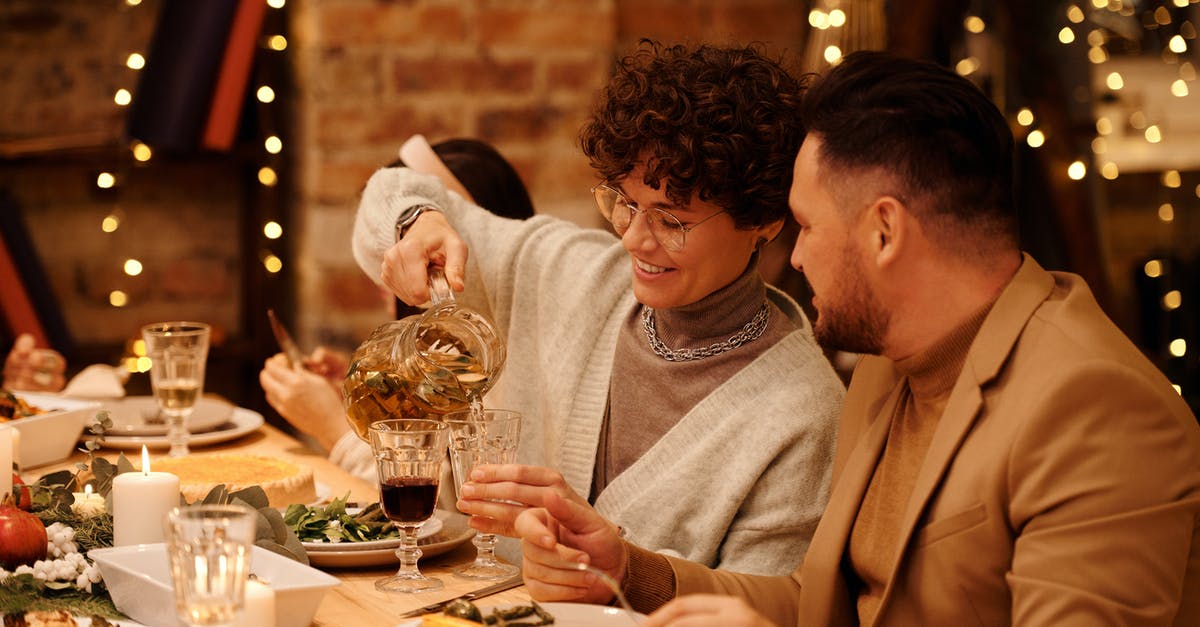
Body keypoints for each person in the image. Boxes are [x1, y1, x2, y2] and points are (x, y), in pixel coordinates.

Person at [505, 50, 1200, 625]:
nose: (798, 255)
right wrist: (627, 569)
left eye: (807, 226)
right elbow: (818, 603)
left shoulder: (1096, 409)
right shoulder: (887, 366)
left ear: (884, 231)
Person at [352, 41, 845, 575]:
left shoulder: (802, 412)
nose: (634, 239)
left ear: (764, 222)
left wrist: (624, 569)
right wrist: (419, 223)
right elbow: (392, 187)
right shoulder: (572, 273)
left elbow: (758, 603)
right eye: (624, 204)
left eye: (671, 221)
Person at [259, 135, 535, 480]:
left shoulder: (512, 370)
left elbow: (448, 499)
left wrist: (335, 430)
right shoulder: (457, 358)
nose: (383, 278)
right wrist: (383, 390)